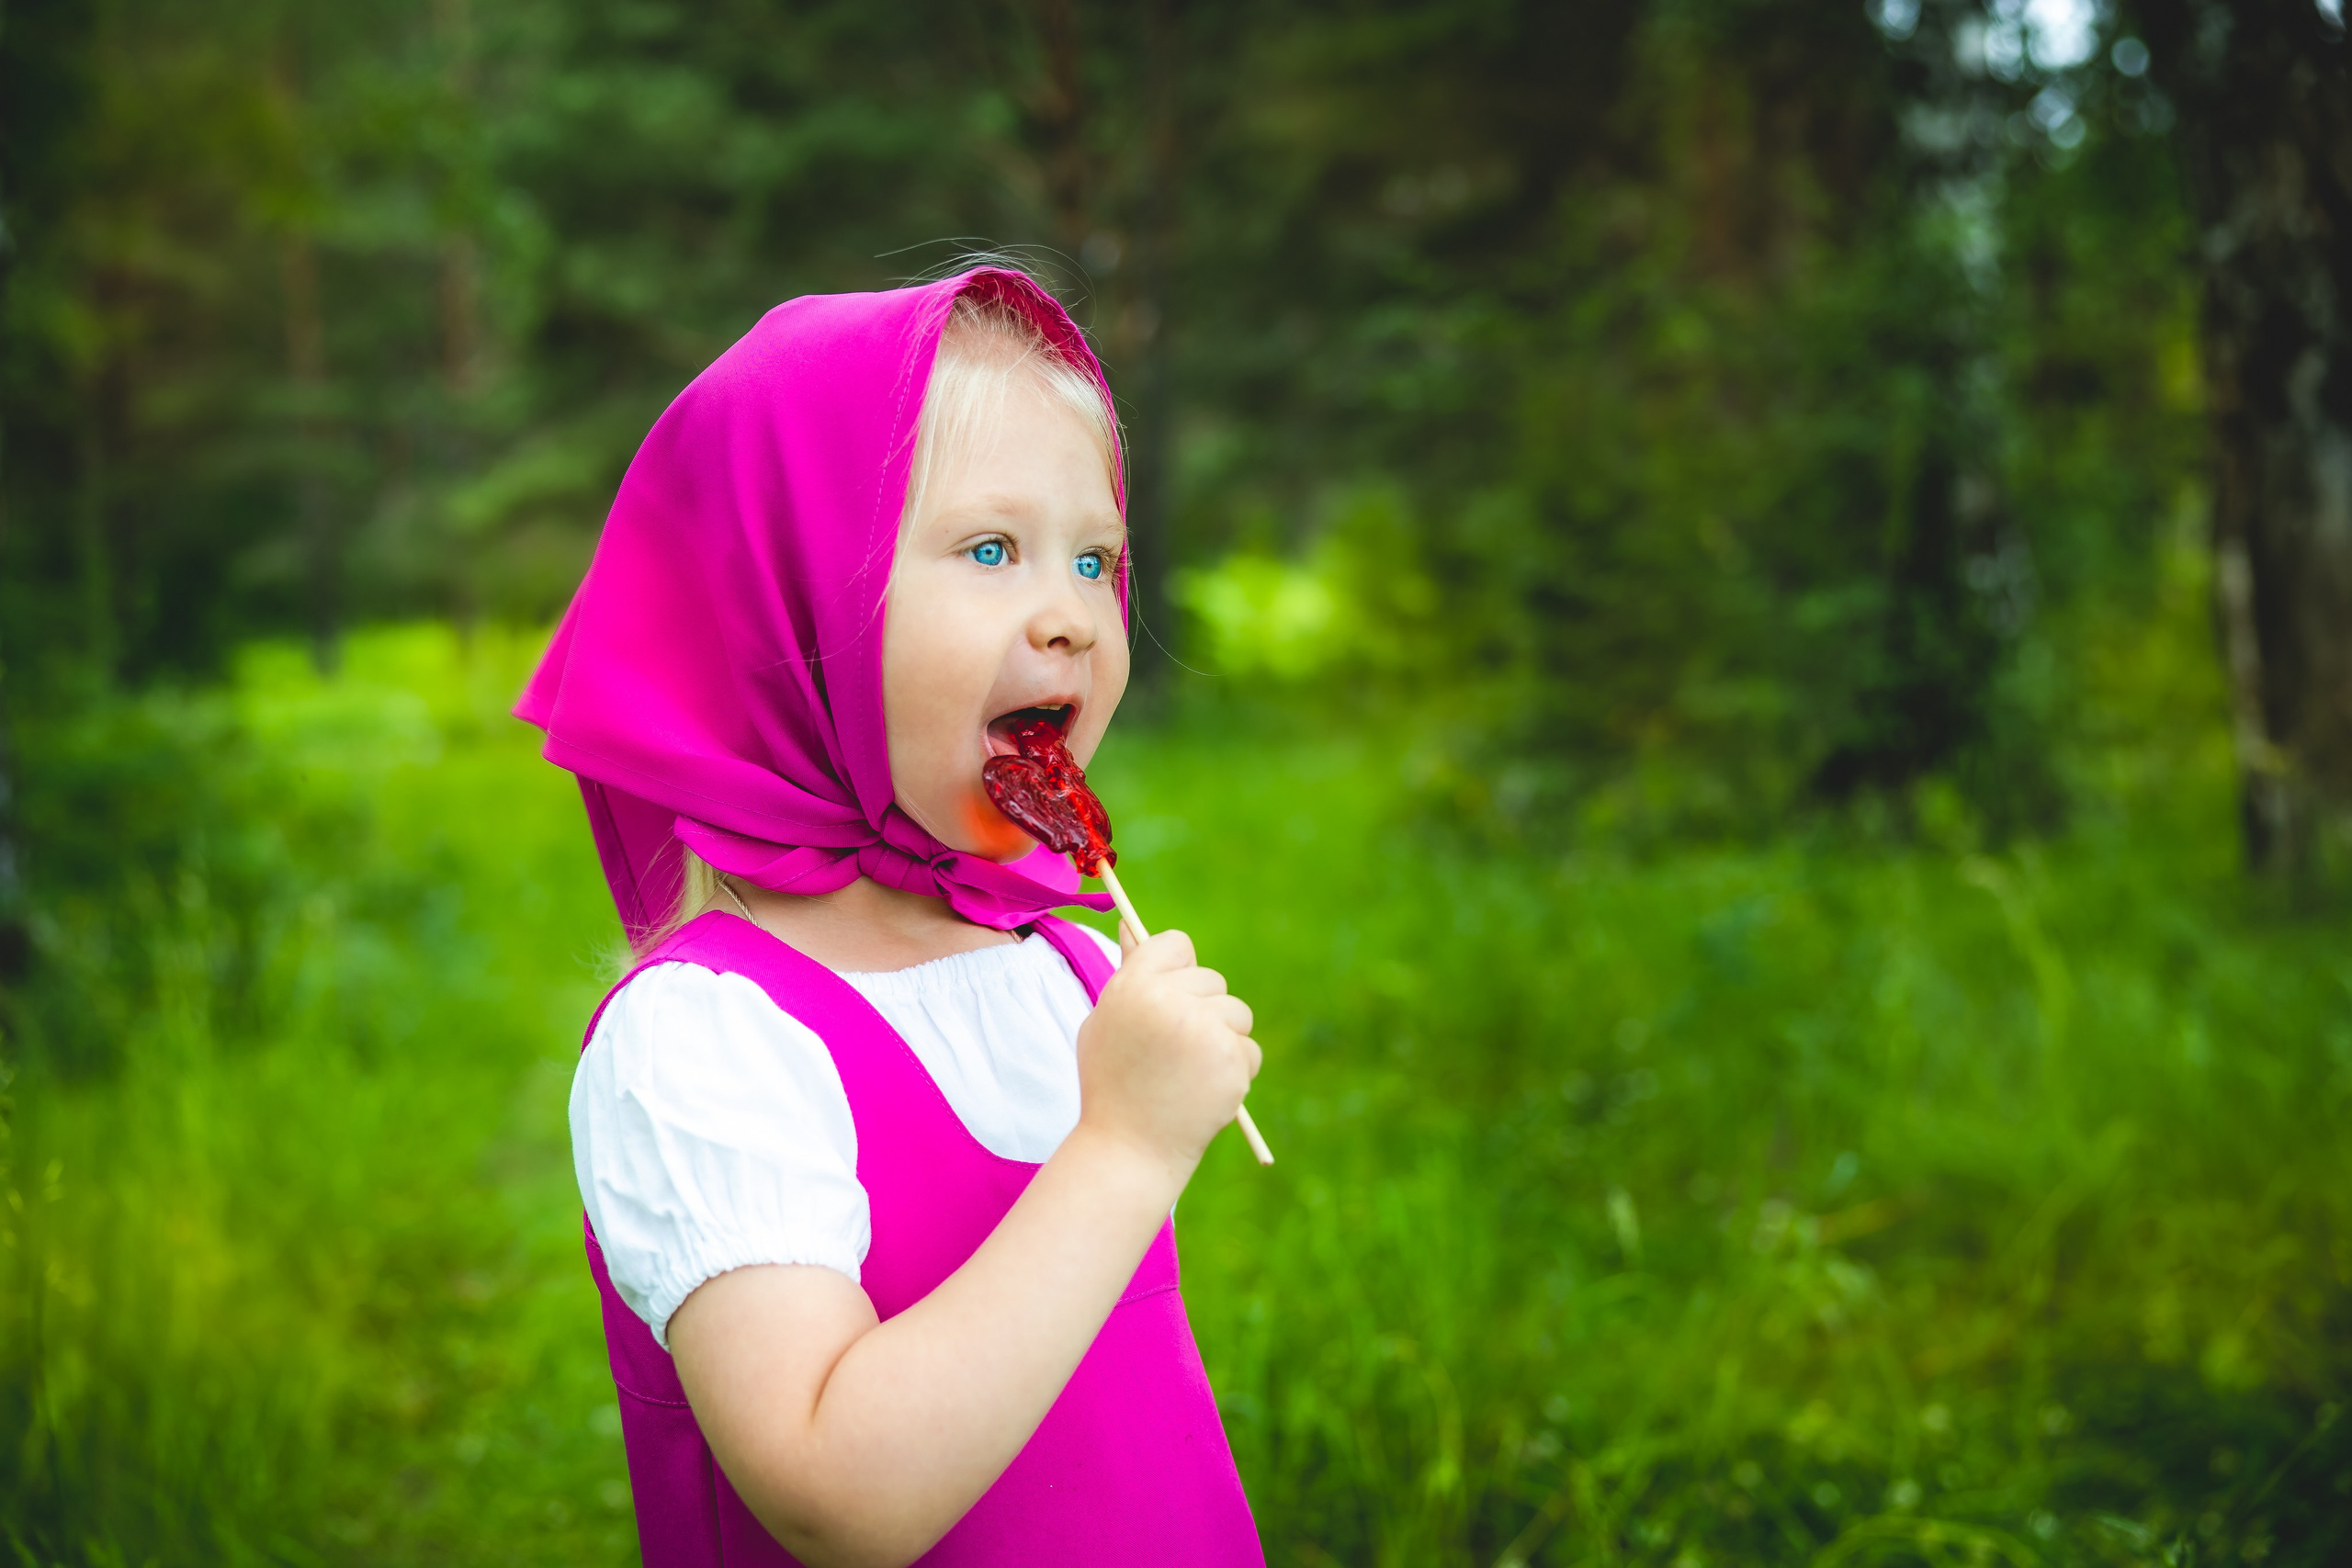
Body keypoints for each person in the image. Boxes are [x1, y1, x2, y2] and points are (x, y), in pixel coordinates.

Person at [515, 265, 1267, 1568]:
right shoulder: (707, 1040)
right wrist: (1128, 1147)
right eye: (991, 550)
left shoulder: (1067, 966)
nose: (1072, 616)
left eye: (1098, 559)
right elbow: (835, 1496)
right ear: (790, 604)